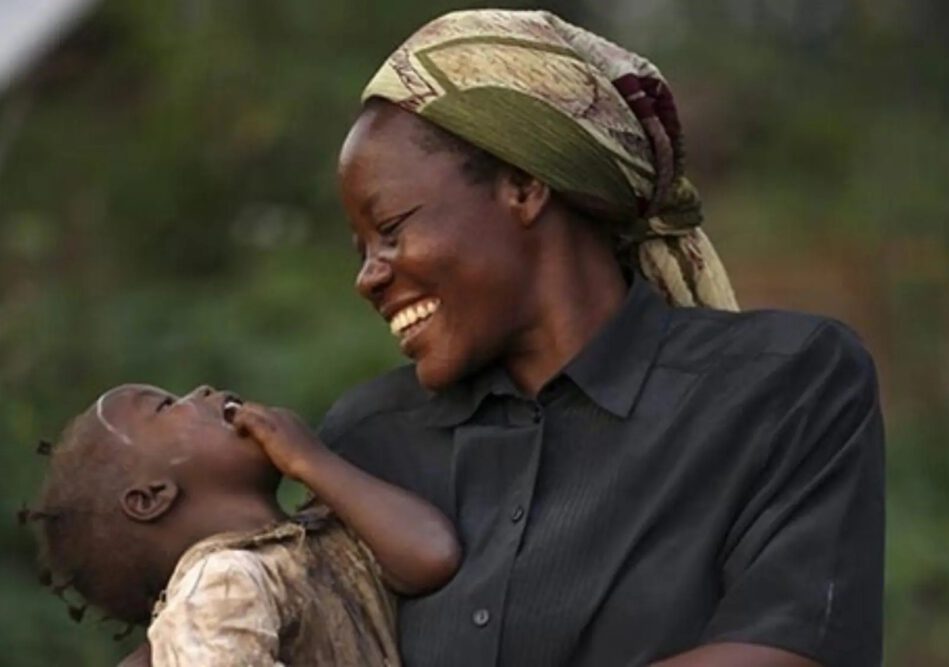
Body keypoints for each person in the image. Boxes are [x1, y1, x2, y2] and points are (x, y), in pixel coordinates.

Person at [318, 8, 885, 667]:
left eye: (391, 228)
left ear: (525, 185)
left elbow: (789, 650)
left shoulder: (783, 386)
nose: (368, 276)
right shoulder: (364, 445)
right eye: (361, 249)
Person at [26, 383, 460, 666]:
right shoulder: (216, 590)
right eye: (167, 405)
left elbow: (431, 555)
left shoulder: (320, 534)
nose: (201, 390)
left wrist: (314, 462)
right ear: (152, 497)